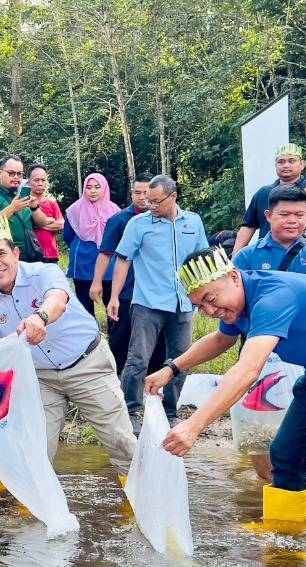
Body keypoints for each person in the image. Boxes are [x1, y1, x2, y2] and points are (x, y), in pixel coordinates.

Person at [145, 247, 306, 544]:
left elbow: (248, 370)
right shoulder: (238, 301)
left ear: (233, 277)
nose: (210, 311)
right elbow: (221, 338)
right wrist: (172, 368)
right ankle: (285, 532)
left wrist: (194, 426)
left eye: (210, 299)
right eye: (200, 306)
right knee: (284, 454)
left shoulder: (272, 297)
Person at [0, 213, 137, 478]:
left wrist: (41, 318)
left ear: (15, 253)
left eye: (0, 253)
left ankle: (144, 510)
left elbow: (57, 300)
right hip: (40, 378)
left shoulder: (44, 272)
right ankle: (34, 517)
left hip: (87, 365)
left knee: (120, 441)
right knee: (35, 450)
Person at [232, 185, 306, 481]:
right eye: (285, 214)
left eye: (300, 214)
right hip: (262, 356)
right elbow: (231, 303)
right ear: (269, 216)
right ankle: (266, 490)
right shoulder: (247, 257)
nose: (293, 220)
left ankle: (302, 483)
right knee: (260, 429)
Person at [108, 175, 208, 427]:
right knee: (138, 357)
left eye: (155, 201)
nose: (149, 205)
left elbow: (202, 260)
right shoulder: (138, 224)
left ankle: (170, 412)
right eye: (147, 200)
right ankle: (130, 411)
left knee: (180, 359)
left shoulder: (193, 222)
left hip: (183, 303)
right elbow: (123, 259)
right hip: (148, 302)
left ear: (173, 197)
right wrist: (114, 297)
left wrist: (206, 298)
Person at [90, 173, 157, 374]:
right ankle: (116, 375)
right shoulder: (119, 220)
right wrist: (97, 282)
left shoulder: (162, 219)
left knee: (154, 336)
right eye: (138, 192)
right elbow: (105, 254)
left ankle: (153, 380)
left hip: (154, 289)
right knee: (120, 335)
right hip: (125, 289)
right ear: (131, 193)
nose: (142, 197)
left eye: (147, 193)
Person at [232, 143, 306, 255]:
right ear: (275, 165)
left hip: (304, 255)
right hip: (266, 256)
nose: (286, 165)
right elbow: (248, 226)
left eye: (292, 161)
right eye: (281, 162)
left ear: (302, 164)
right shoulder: (263, 193)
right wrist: (235, 258)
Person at [64, 173, 122, 316]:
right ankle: (88, 336)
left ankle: (114, 335)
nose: (93, 191)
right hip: (83, 262)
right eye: (89, 187)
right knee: (84, 307)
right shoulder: (74, 210)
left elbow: (120, 237)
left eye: (97, 187)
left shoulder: (114, 210)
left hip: (109, 263)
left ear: (104, 189)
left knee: (112, 302)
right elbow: (68, 236)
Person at [0, 155, 52, 261]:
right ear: (0, 173)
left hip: (30, 254)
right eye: (11, 173)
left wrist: (34, 207)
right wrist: (12, 208)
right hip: (5, 256)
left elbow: (42, 223)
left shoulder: (22, 196)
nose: (16, 177)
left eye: (20, 174)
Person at [28, 164, 64, 263]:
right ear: (28, 182)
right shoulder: (24, 203)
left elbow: (61, 225)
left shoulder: (52, 204)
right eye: (36, 180)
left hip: (51, 254)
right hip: (31, 255)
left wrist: (38, 225)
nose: (40, 183)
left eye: (43, 180)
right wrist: (50, 220)